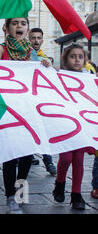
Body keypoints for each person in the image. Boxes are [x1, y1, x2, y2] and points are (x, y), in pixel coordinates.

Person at [0, 17, 50, 214]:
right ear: (7, 28)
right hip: (9, 110)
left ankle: (20, 191)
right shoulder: (3, 47)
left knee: (27, 155)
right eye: (15, 23)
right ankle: (10, 196)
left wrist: (45, 64)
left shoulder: (32, 53)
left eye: (23, 23)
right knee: (11, 155)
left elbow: (42, 77)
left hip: (28, 109)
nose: (20, 26)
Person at [52, 44, 96, 210]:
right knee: (66, 158)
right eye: (73, 56)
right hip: (64, 123)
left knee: (78, 160)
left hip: (82, 124)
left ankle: (76, 195)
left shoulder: (89, 77)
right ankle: (60, 183)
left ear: (85, 59)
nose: (77, 60)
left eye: (80, 56)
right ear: (65, 58)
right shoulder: (57, 74)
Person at [28, 28, 57, 176]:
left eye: (38, 38)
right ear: (29, 39)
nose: (36, 41)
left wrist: (49, 65)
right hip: (26, 102)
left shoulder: (43, 58)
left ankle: (48, 161)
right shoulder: (24, 56)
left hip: (40, 103)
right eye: (33, 38)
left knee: (43, 132)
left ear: (42, 40)